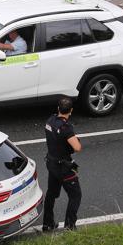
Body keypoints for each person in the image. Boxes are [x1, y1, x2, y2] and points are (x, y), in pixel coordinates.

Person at [42, 97, 82, 231]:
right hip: (64, 168)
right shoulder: (66, 128)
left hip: (51, 163)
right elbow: (77, 147)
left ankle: (48, 224)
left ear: (58, 109)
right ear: (71, 110)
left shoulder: (50, 121)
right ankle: (70, 227)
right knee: (75, 195)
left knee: (51, 194)